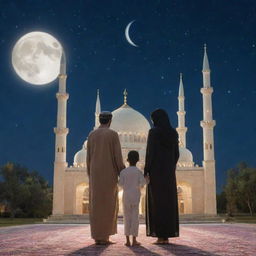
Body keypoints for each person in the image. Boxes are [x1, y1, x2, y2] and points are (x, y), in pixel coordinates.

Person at [86, 111, 125, 245]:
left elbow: (88, 157)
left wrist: (90, 173)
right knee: (108, 204)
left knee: (96, 204)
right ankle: (105, 236)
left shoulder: (91, 135)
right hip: (109, 173)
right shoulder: (112, 134)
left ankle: (97, 236)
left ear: (99, 120)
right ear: (110, 121)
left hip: (95, 173)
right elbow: (117, 156)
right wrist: (122, 172)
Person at [144, 108, 180, 244]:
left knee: (157, 204)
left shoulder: (153, 133)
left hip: (156, 174)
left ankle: (159, 236)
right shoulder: (173, 133)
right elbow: (176, 154)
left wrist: (146, 170)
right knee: (168, 204)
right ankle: (167, 235)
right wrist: (170, 166)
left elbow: (150, 153)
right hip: (169, 174)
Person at [118, 151, 146, 246]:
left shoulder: (123, 172)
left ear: (127, 160)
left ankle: (127, 241)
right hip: (135, 196)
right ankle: (134, 240)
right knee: (135, 218)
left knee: (127, 217)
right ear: (138, 160)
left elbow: (120, 184)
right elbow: (143, 183)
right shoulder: (138, 172)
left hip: (126, 196)